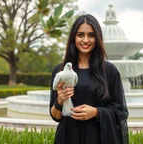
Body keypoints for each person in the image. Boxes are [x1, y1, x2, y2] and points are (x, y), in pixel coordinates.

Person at [49, 14, 129, 144]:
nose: (85, 40)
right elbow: (56, 116)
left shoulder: (109, 71)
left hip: (98, 138)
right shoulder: (60, 71)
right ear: (73, 38)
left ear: (97, 38)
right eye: (80, 35)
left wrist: (96, 112)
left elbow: (120, 112)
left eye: (91, 35)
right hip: (68, 137)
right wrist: (60, 99)